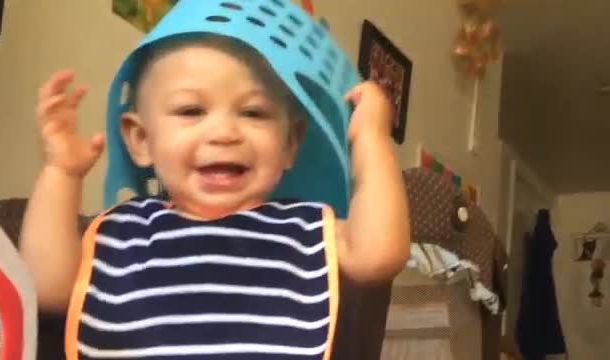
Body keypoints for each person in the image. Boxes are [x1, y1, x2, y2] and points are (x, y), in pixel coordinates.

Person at [20, 3, 410, 359]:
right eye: (192, 110)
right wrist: (61, 173)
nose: (224, 132)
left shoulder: (303, 231)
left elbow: (380, 254)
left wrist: (371, 140)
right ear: (141, 140)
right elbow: (43, 288)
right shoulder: (124, 235)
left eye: (254, 112)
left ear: (290, 143)